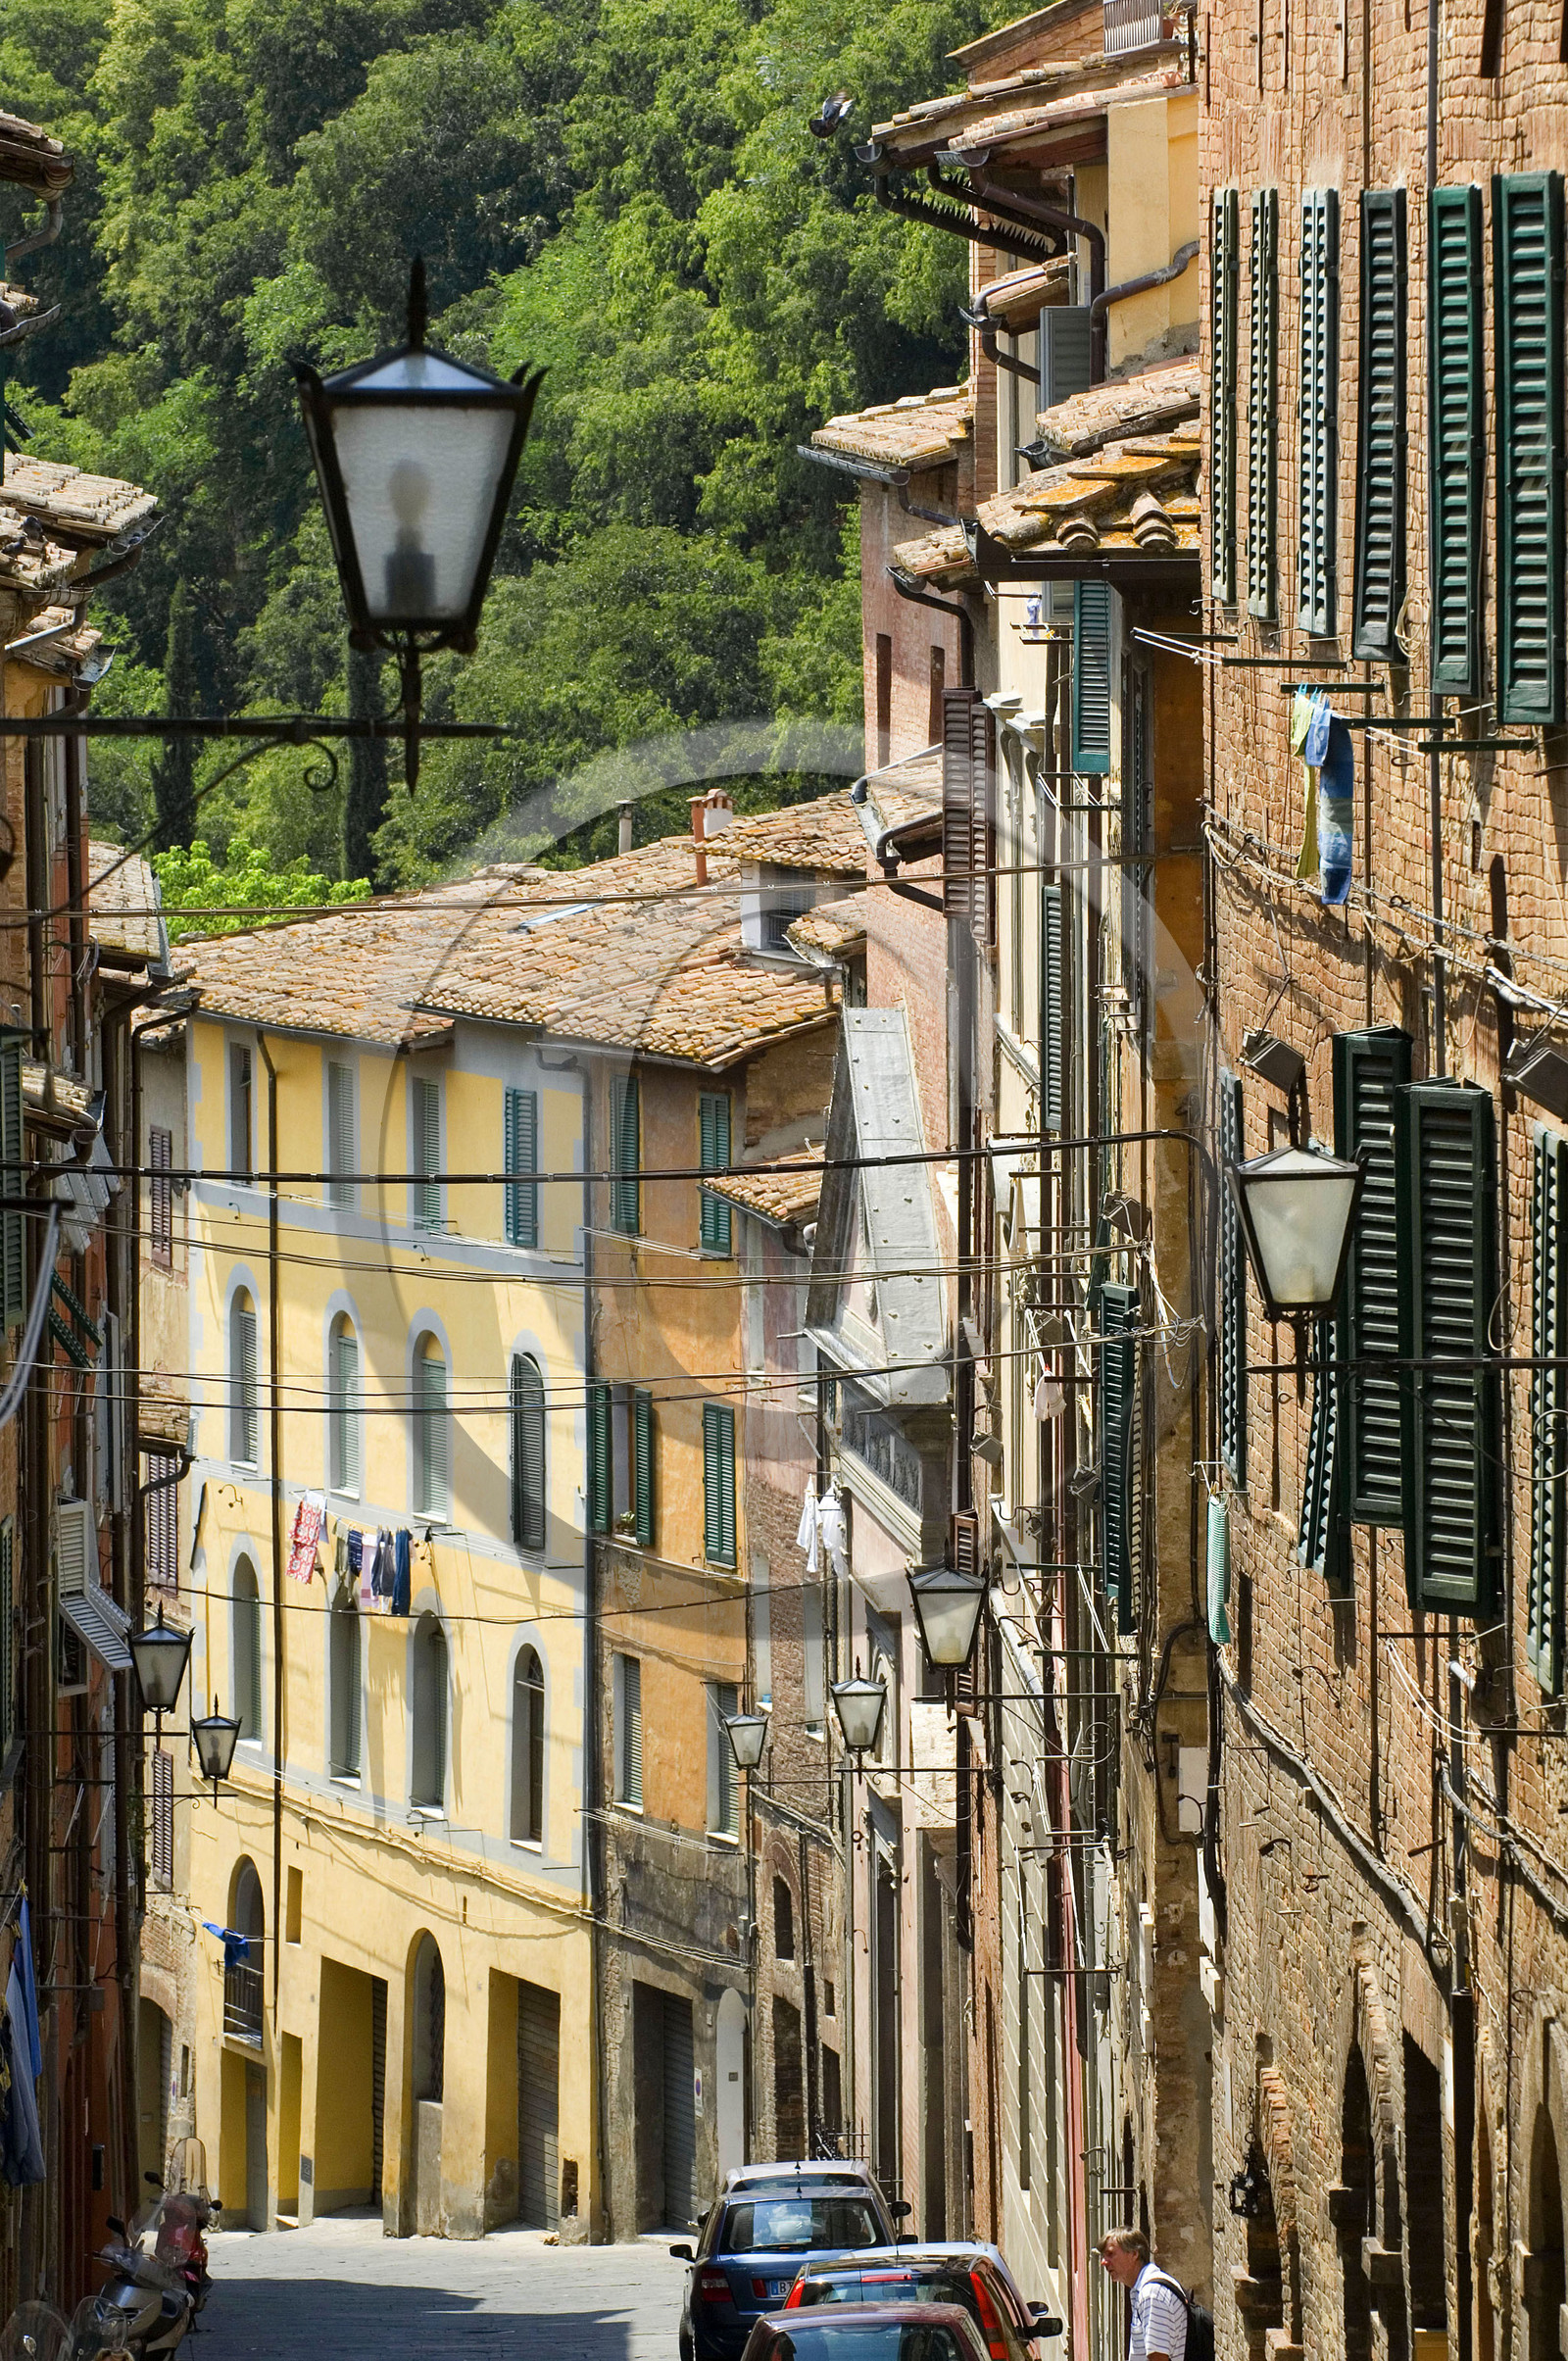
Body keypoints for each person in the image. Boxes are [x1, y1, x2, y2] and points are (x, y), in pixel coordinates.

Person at [1097, 2229, 1188, 2361]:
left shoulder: (1151, 2294)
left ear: (1134, 2254)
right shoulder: (1141, 2290)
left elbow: (1158, 2357)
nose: (1104, 2262)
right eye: (1103, 2256)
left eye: (1110, 2254)